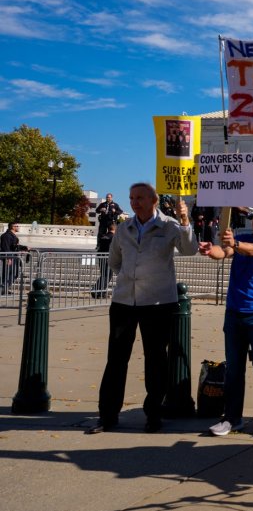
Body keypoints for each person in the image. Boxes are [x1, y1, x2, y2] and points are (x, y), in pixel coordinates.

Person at [87, 182, 198, 434]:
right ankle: (108, 415)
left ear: (153, 200)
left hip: (158, 302)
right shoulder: (124, 228)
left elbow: (189, 250)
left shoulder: (169, 225)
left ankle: (153, 414)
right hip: (125, 301)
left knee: (156, 359)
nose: (134, 202)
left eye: (139, 198)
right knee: (116, 359)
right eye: (131, 198)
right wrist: (130, 278)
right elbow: (115, 262)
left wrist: (185, 222)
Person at [199, 202, 253, 437]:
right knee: (234, 369)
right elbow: (224, 252)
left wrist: (235, 243)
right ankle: (232, 418)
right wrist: (211, 250)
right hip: (234, 312)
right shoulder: (244, 237)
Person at [1, 222, 27, 294]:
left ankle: (5, 289)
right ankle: (3, 289)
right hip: (9, 257)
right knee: (7, 273)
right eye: (17, 226)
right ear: (13, 227)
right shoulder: (6, 236)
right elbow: (5, 247)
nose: (18, 227)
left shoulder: (12, 235)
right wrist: (8, 258)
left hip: (14, 257)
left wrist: (25, 248)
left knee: (14, 273)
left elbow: (14, 246)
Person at [91, 222, 116, 298]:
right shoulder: (114, 237)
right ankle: (98, 291)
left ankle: (98, 291)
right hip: (109, 258)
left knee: (104, 275)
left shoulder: (103, 236)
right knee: (107, 275)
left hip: (101, 257)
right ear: (115, 229)